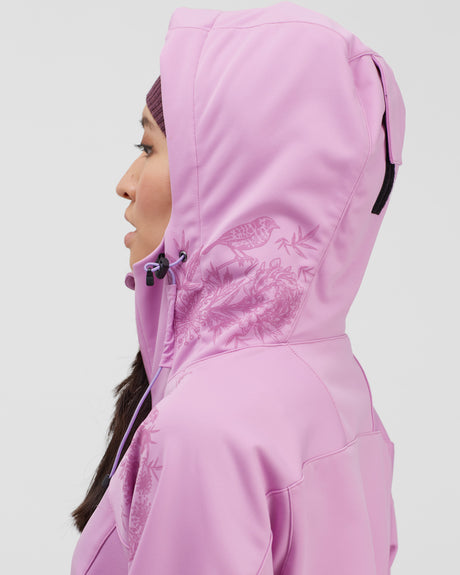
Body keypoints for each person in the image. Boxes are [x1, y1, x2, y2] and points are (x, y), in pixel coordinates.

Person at [70, 2, 406, 574]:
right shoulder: (335, 379)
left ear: (232, 181)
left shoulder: (204, 430)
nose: (125, 185)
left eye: (147, 148)